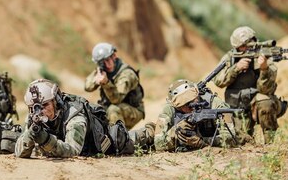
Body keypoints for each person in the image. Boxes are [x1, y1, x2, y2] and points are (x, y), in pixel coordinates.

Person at [15, 79, 154, 159]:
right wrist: (31, 133)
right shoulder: (34, 117)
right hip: (64, 142)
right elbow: (19, 152)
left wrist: (45, 140)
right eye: (35, 107)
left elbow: (72, 151)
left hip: (103, 143)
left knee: (127, 140)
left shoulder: (74, 116)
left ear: (56, 101)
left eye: (45, 105)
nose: (40, 110)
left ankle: (148, 133)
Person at [212, 26, 287, 143]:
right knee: (238, 140)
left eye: (250, 44)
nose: (247, 48)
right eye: (243, 46)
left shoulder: (263, 57)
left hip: (257, 105)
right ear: (236, 48)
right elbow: (218, 81)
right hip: (237, 107)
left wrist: (264, 68)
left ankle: (270, 144)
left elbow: (265, 90)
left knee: (264, 101)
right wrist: (235, 69)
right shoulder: (230, 57)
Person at [154, 79, 237, 152]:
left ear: (197, 94)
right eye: (185, 104)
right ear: (177, 106)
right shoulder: (169, 110)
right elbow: (158, 145)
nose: (192, 106)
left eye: (193, 100)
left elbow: (230, 138)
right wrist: (176, 131)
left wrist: (202, 142)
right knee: (147, 133)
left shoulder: (215, 104)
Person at [84, 43, 145, 130]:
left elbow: (116, 99)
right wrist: (97, 78)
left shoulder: (127, 73)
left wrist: (105, 83)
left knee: (113, 110)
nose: (107, 64)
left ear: (114, 56)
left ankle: (119, 139)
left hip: (133, 110)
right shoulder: (103, 70)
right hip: (112, 107)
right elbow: (87, 87)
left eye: (107, 60)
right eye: (102, 62)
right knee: (91, 111)